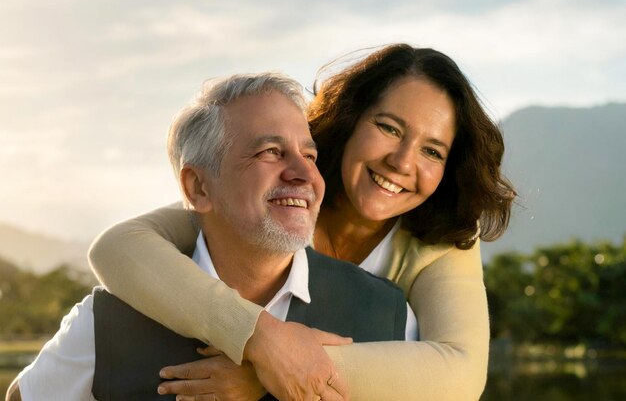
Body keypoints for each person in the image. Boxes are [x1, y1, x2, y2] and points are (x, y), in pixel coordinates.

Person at [88, 44, 515, 401]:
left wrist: (270, 370)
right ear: (350, 119)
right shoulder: (285, 196)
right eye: (388, 128)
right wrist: (258, 338)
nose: (402, 162)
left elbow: (459, 374)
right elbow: (118, 248)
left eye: (433, 152)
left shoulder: (443, 236)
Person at [6, 73, 415, 401]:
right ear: (199, 188)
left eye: (309, 156)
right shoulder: (106, 320)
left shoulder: (387, 311)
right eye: (270, 152)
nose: (305, 175)